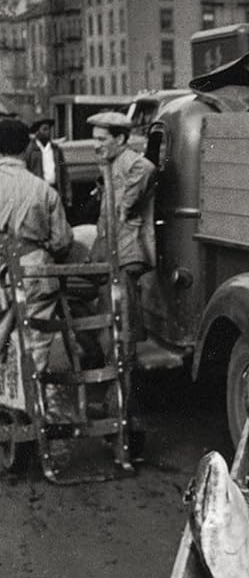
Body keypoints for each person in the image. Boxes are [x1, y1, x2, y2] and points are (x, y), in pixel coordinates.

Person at [88, 112, 157, 443]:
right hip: (110, 259)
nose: (96, 144)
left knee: (123, 340)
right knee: (110, 337)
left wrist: (126, 204)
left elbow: (148, 169)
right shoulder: (110, 165)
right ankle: (116, 411)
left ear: (121, 139)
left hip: (125, 258)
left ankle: (127, 422)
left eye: (102, 138)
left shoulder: (132, 164)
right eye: (96, 137)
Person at [0, 117, 74, 375]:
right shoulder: (44, 190)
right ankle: (30, 407)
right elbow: (62, 241)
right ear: (24, 148)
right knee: (34, 347)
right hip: (35, 273)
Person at [25, 118, 70, 206]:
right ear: (37, 132)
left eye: (49, 129)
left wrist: (67, 193)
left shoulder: (55, 149)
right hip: (38, 191)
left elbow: (64, 172)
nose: (48, 132)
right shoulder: (31, 150)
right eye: (45, 129)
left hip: (55, 188)